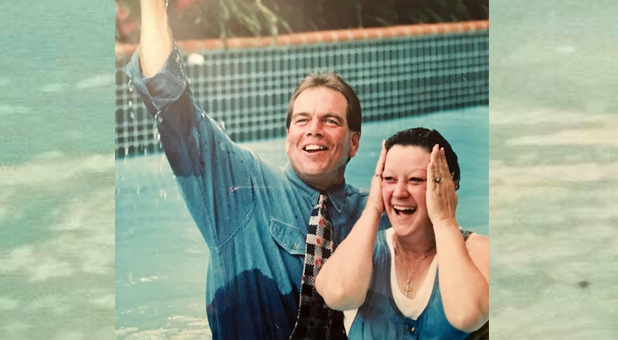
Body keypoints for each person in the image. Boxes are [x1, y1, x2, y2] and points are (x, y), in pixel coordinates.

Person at [123, 1, 389, 339]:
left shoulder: (376, 212)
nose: (314, 129)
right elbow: (169, 98)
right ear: (288, 136)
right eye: (302, 120)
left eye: (330, 121)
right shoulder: (241, 187)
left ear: (354, 143)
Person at [315, 128, 489, 339]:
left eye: (415, 180)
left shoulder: (477, 252)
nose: (399, 193)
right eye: (389, 179)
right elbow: (337, 295)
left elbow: (467, 315)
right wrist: (373, 208)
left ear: (448, 186)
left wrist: (445, 220)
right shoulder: (363, 252)